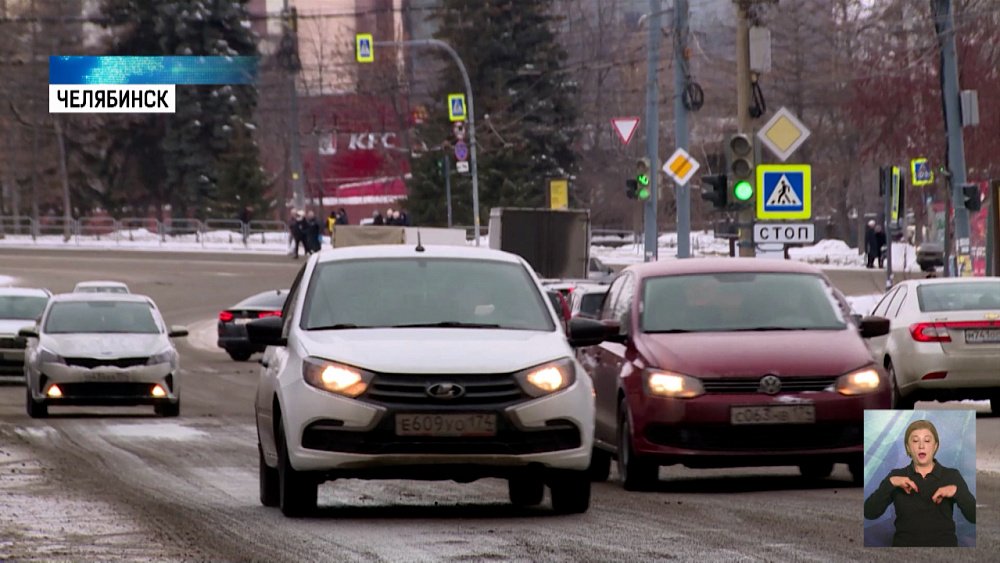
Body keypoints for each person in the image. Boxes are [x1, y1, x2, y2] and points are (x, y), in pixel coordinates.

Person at [863, 419, 976, 547]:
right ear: (908, 447)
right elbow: (869, 512)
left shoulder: (952, 476)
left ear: (935, 446)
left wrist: (957, 492)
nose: (921, 446)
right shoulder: (896, 476)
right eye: (915, 441)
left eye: (927, 441)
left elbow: (973, 517)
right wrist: (890, 483)